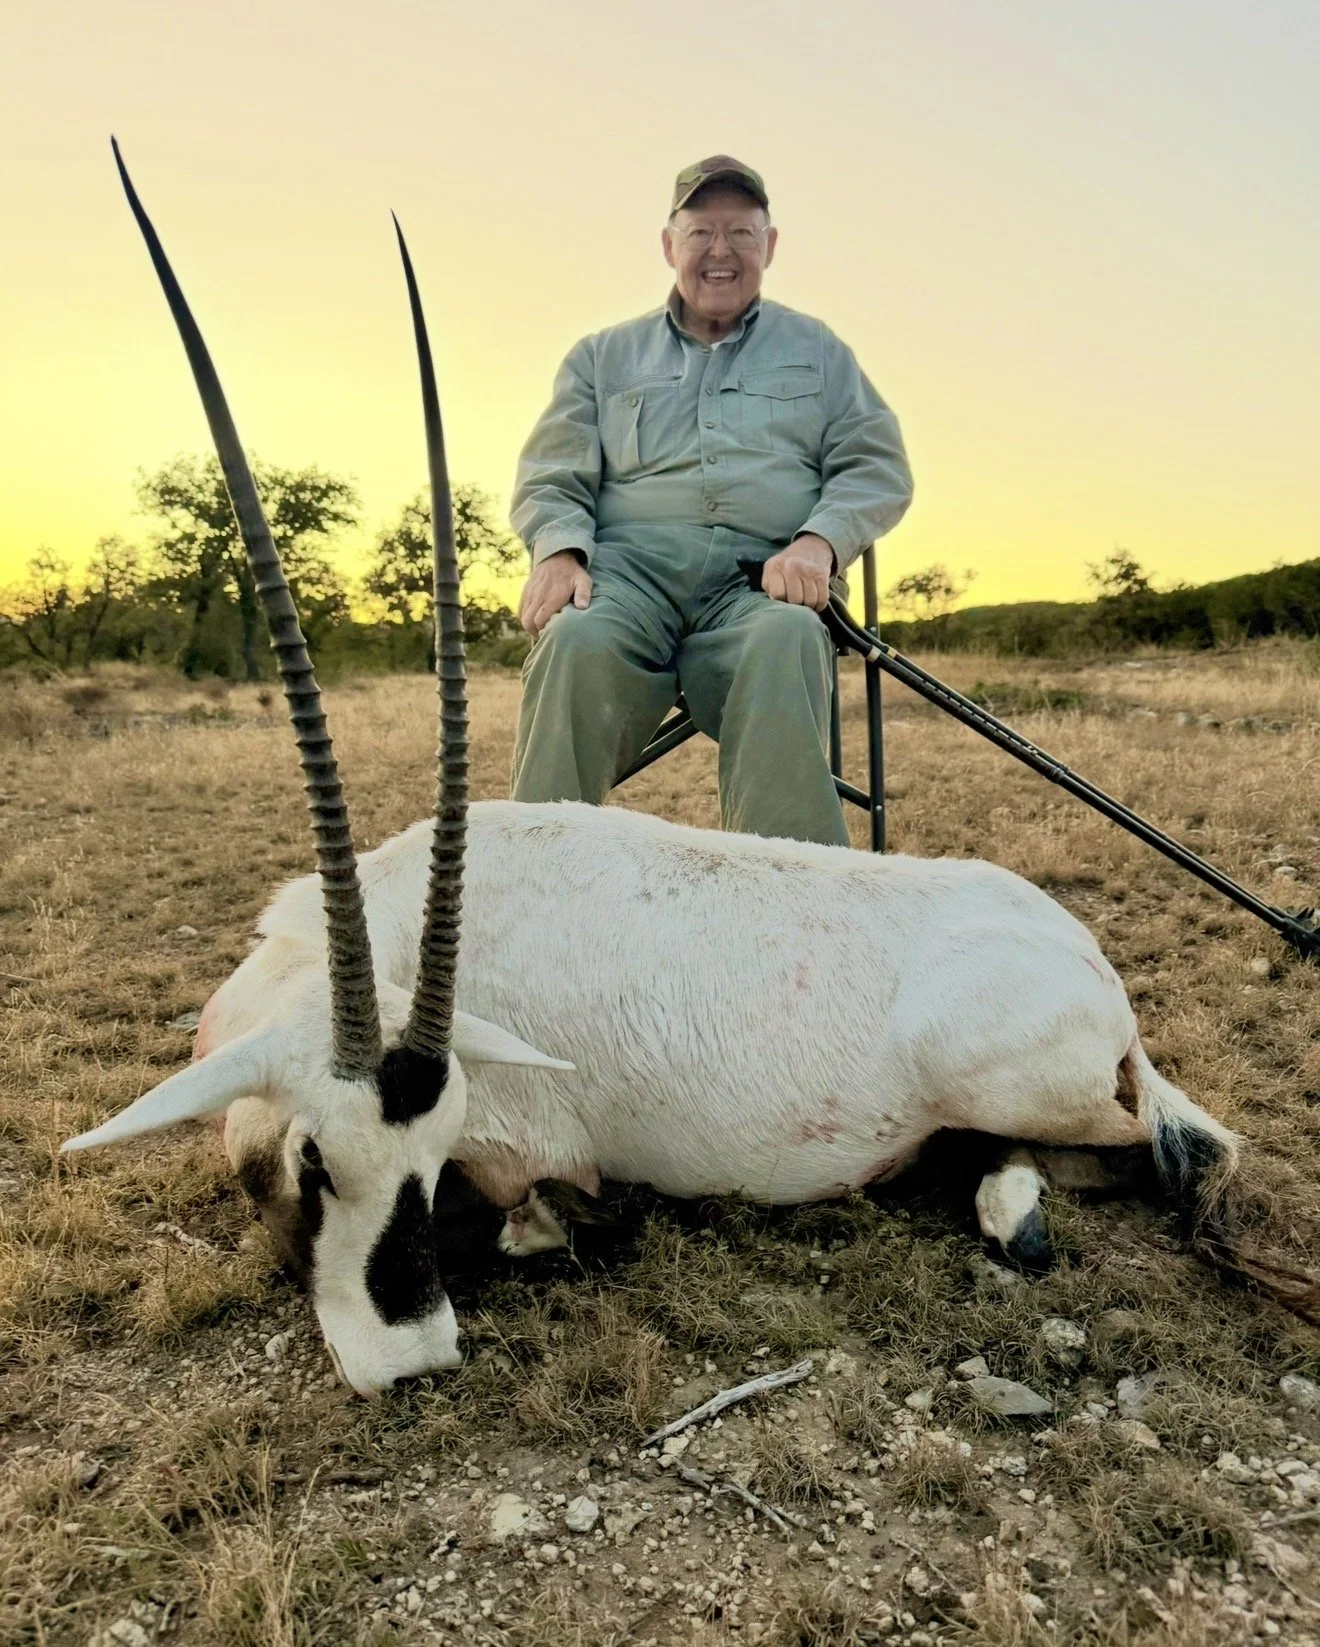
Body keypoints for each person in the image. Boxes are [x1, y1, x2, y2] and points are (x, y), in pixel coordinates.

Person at [509, 155, 913, 846]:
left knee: (788, 635)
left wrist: (819, 544)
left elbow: (875, 465)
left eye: (740, 234)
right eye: (701, 233)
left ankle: (795, 903)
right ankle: (532, 880)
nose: (719, 252)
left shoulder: (818, 350)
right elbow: (551, 474)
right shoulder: (599, 357)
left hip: (760, 586)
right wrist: (559, 549)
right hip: (626, 585)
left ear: (771, 246)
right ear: (670, 245)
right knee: (572, 639)